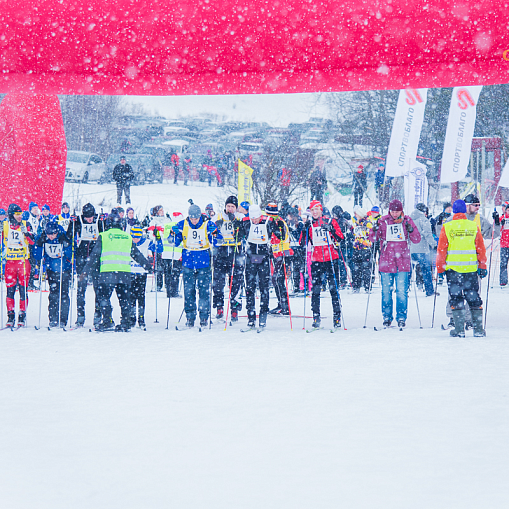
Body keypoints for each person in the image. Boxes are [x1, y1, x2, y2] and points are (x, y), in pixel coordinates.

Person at [81, 210, 152, 331]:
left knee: (103, 297)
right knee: (124, 299)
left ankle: (108, 320)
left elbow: (94, 255)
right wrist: (148, 266)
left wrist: (85, 271)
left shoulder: (103, 236)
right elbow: (137, 255)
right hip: (124, 273)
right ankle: (125, 322)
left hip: (107, 272)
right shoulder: (127, 237)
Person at [436, 199, 487, 337]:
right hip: (470, 269)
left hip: (453, 270)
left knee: (456, 298)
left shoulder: (447, 227)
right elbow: (480, 248)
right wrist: (482, 265)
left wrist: (440, 269)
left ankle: (459, 330)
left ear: (453, 211)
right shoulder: (473, 226)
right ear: (464, 210)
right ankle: (478, 330)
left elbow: (442, 250)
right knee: (473, 297)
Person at [369, 199, 421, 328]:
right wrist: (374, 230)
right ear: (389, 210)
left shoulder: (407, 220)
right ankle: (387, 317)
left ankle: (401, 317)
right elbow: (372, 239)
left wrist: (411, 230)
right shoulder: (382, 221)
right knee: (386, 291)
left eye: (397, 211)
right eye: (393, 211)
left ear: (401, 210)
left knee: (401, 292)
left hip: (402, 261)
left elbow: (416, 239)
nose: (395, 214)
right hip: (386, 262)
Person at [170, 204, 222, 328]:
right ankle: (190, 316)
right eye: (192, 218)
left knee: (204, 291)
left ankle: (204, 317)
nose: (194, 220)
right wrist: (172, 234)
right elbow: (174, 243)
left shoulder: (207, 224)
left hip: (203, 261)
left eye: (196, 218)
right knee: (189, 291)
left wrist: (214, 233)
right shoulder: (182, 224)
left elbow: (219, 242)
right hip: (188, 262)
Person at [300, 200, 344, 329]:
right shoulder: (309, 224)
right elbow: (303, 243)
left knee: (333, 289)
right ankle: (316, 316)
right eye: (312, 210)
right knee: (316, 289)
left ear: (321, 210)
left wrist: (331, 230)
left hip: (331, 258)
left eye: (316, 209)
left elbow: (340, 238)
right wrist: (303, 230)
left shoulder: (330, 221)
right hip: (317, 259)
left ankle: (337, 317)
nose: (314, 212)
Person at [236, 204, 278, 329]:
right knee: (250, 287)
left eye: (256, 218)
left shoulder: (268, 221)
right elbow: (238, 236)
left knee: (264, 287)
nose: (254, 221)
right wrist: (237, 230)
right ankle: (251, 317)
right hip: (251, 257)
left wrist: (278, 229)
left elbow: (278, 235)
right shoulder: (245, 221)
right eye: (252, 218)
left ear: (260, 215)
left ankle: (263, 316)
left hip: (264, 257)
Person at [66, 203, 104, 327]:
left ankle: (98, 314)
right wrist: (72, 223)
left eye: (91, 217)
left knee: (98, 288)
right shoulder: (78, 221)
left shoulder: (99, 220)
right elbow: (69, 236)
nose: (90, 219)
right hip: (82, 259)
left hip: (96, 258)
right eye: (87, 217)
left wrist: (105, 221)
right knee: (81, 288)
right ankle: (80, 316)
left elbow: (106, 232)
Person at [34, 221, 72, 328]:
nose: (50, 237)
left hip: (64, 269)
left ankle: (63, 319)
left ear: (57, 232)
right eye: (48, 234)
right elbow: (37, 256)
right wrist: (39, 244)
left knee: (64, 294)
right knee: (53, 294)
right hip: (51, 270)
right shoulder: (44, 238)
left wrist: (66, 243)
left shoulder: (62, 236)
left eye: (53, 234)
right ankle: (53, 319)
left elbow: (70, 254)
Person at [2, 203, 35, 327]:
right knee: (10, 290)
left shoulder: (26, 224)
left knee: (23, 289)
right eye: (17, 214)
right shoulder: (4, 225)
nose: (20, 216)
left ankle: (22, 314)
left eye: (20, 214)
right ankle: (10, 316)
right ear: (11, 215)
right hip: (10, 262)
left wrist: (27, 233)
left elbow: (32, 242)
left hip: (23, 262)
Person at [213, 196, 244, 321]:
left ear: (236, 208)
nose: (230, 209)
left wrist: (238, 227)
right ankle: (219, 307)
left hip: (235, 253)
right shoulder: (218, 217)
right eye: (228, 206)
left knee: (236, 282)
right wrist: (216, 227)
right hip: (221, 253)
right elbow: (211, 231)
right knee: (218, 282)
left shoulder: (239, 218)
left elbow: (243, 234)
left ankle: (234, 309)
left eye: (232, 207)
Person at [129, 225, 162, 328]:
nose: (135, 240)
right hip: (129, 272)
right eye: (133, 237)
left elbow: (159, 249)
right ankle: (132, 317)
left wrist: (158, 238)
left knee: (141, 296)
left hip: (141, 272)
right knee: (131, 297)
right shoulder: (127, 242)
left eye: (137, 237)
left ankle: (141, 317)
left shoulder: (146, 242)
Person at [266, 203, 293, 315]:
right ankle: (281, 304)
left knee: (278, 279)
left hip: (282, 253)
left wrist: (274, 228)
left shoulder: (278, 221)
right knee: (276, 279)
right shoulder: (274, 221)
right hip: (277, 253)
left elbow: (281, 236)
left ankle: (284, 306)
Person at [410, 203, 437, 297]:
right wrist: (434, 244)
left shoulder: (409, 219)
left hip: (411, 248)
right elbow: (428, 234)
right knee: (426, 271)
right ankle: (429, 291)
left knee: (408, 271)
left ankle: (404, 290)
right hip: (422, 248)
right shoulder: (423, 219)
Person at [350, 206, 374, 293]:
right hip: (357, 247)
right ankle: (356, 286)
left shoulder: (367, 222)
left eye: (356, 213)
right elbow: (354, 233)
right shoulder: (356, 222)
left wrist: (364, 227)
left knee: (366, 268)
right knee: (356, 268)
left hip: (365, 248)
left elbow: (371, 232)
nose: (355, 215)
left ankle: (367, 286)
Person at [286, 207, 305, 294]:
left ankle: (302, 286)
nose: (288, 217)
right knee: (291, 267)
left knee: (299, 268)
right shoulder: (288, 223)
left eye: (289, 215)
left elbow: (299, 236)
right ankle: (295, 286)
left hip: (298, 248)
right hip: (290, 248)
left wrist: (292, 231)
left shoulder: (300, 223)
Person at [498, 204, 509, 287]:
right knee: (503, 263)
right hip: (504, 244)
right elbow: (498, 230)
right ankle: (503, 280)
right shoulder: (502, 218)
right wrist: (500, 224)